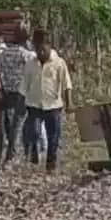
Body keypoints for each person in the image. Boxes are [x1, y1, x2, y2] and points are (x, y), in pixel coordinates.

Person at [21, 30, 72, 172]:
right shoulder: (30, 64)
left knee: (53, 136)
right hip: (34, 104)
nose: (40, 52)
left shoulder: (59, 63)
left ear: (49, 45)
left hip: (53, 105)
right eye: (37, 49)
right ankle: (35, 154)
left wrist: (69, 103)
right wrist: (21, 102)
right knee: (34, 132)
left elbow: (67, 84)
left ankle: (51, 162)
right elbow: (24, 84)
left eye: (43, 49)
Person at [0, 27, 33, 165]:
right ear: (25, 39)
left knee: (0, 126)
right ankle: (11, 155)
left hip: (5, 91)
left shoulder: (3, 53)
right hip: (20, 93)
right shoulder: (26, 55)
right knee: (17, 125)